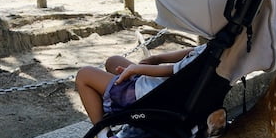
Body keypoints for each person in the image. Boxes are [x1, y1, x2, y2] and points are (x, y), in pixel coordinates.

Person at [75, 46, 205, 126]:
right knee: (113, 61)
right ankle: (110, 101)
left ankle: (103, 136)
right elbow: (193, 51)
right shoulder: (217, 47)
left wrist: (136, 69)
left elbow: (174, 70)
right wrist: (157, 59)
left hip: (148, 96)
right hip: (160, 86)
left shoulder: (211, 52)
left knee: (84, 75)